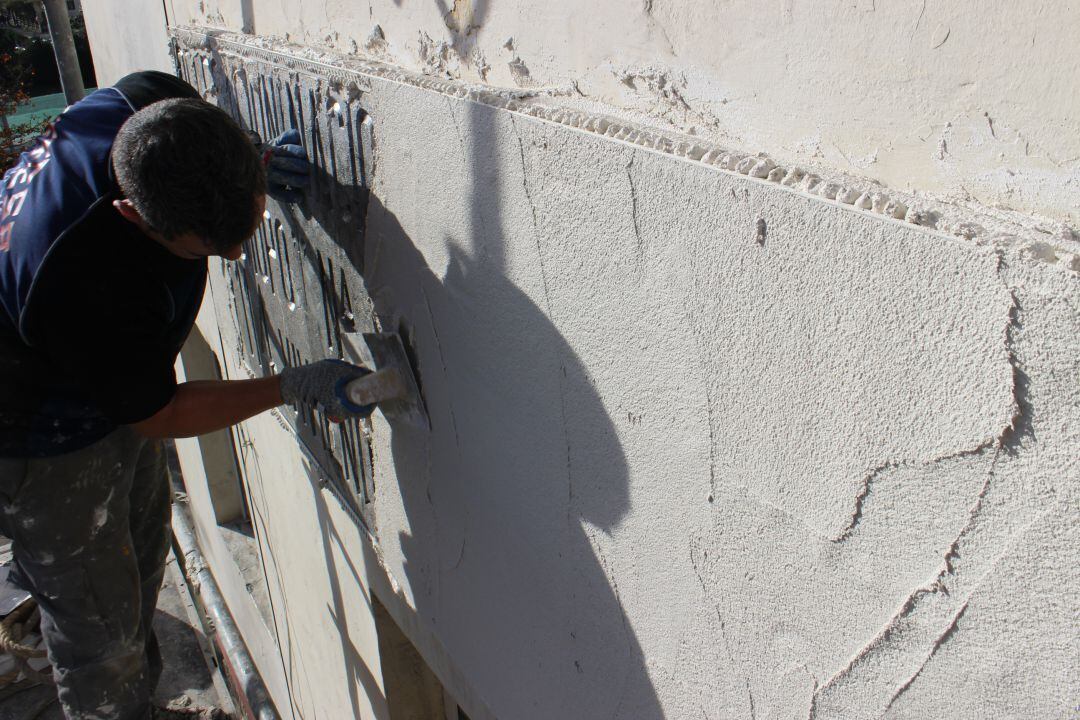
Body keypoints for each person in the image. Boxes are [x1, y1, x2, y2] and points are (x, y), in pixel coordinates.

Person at [0, 71, 370, 719]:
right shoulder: (79, 274)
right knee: (97, 624)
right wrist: (288, 386)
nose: (234, 250)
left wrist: (249, 158)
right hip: (33, 429)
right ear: (133, 215)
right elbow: (157, 413)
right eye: (211, 245)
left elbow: (198, 136)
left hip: (96, 368)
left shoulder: (143, 107)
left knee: (142, 548)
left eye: (246, 222)